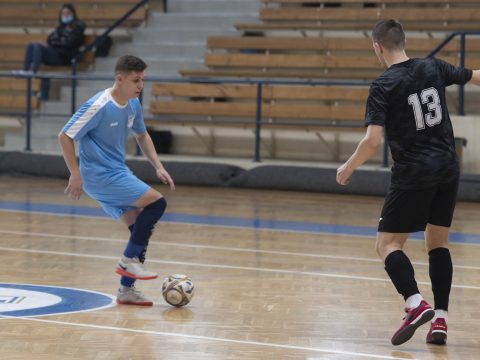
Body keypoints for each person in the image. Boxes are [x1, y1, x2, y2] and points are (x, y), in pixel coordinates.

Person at [336, 19, 480, 346]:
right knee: (438, 243)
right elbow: (474, 75)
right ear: (404, 41)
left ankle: (415, 304)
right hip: (447, 167)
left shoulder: (383, 85)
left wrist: (348, 167)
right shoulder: (432, 67)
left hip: (414, 173)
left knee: (387, 244)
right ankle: (440, 320)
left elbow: (373, 141)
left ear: (378, 47)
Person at [58, 55, 175, 306]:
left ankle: (126, 290)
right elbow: (65, 136)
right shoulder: (98, 105)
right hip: (99, 175)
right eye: (135, 80)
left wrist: (158, 165)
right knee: (157, 203)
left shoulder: (133, 104)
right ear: (119, 79)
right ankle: (128, 262)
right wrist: (75, 173)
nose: (140, 86)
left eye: (142, 80)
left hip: (116, 171)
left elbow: (142, 136)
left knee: (139, 230)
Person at [22, 4, 85, 73]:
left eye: (68, 13)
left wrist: (55, 42)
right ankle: (25, 71)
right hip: (56, 53)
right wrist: (57, 41)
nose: (65, 15)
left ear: (73, 14)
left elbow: (70, 43)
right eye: (63, 13)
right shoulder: (60, 27)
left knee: (38, 47)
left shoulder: (77, 27)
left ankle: (34, 72)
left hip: (65, 57)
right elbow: (50, 39)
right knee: (31, 45)